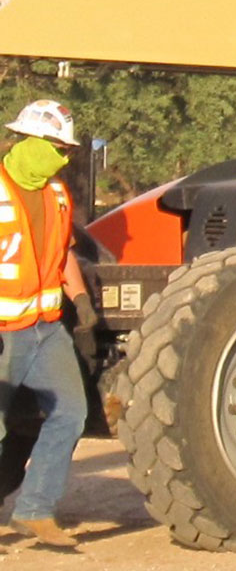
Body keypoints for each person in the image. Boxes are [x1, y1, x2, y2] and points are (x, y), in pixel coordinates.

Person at [0, 99, 94, 549]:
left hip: (45, 329)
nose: (62, 155)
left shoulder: (56, 193)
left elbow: (64, 253)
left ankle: (35, 510)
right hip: (3, 333)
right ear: (29, 141)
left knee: (71, 413)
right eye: (56, 146)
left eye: (66, 149)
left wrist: (80, 298)